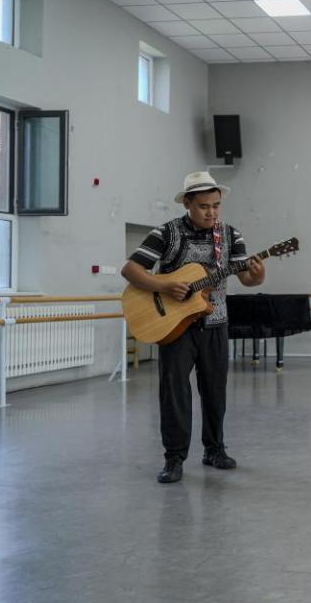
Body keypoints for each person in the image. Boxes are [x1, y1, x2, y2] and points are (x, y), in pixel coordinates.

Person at [121, 171, 265, 483]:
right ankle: (174, 459)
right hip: (174, 326)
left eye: (216, 205)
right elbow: (130, 269)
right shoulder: (166, 233)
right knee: (174, 393)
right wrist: (165, 285)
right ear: (187, 203)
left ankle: (214, 450)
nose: (211, 212)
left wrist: (258, 275)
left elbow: (246, 278)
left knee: (215, 392)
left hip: (216, 323)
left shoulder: (231, 235)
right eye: (203, 206)